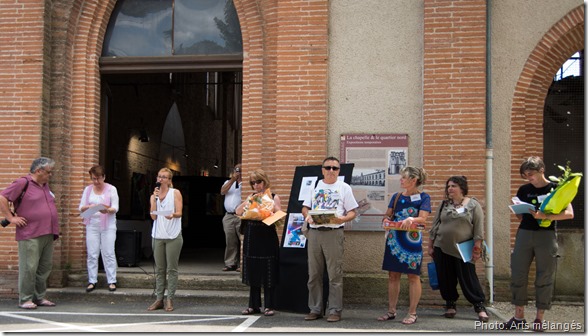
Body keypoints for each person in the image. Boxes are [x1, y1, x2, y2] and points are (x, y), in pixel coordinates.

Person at [502, 156, 574, 331]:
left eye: (531, 174)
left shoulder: (556, 188)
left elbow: (569, 213)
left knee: (545, 276)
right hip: (524, 234)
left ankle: (539, 319)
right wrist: (517, 208)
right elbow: (520, 217)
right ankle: (519, 316)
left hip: (546, 236)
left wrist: (546, 216)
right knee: (518, 273)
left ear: (542, 170)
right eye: (525, 175)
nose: (528, 178)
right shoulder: (524, 189)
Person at [302, 157, 358, 322]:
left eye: (335, 168)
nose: (331, 171)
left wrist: (343, 219)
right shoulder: (314, 186)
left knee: (334, 274)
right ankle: (315, 308)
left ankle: (334, 310)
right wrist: (307, 216)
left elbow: (353, 211)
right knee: (314, 274)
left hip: (334, 233)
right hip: (315, 234)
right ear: (322, 170)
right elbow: (305, 207)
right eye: (328, 167)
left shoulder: (344, 187)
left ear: (339, 171)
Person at [428, 175, 489, 322]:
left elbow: (479, 228)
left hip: (464, 249)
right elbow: (435, 226)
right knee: (446, 278)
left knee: (468, 277)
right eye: (448, 186)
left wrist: (477, 248)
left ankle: (479, 306)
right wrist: (430, 246)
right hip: (441, 247)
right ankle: (450, 305)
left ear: (462, 188)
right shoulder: (444, 205)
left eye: (453, 186)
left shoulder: (473, 205)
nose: (450, 189)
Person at [0, 157, 59, 309]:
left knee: (44, 267)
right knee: (29, 267)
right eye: (48, 172)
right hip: (30, 233)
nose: (50, 175)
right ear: (39, 171)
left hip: (48, 232)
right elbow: (2, 197)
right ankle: (25, 299)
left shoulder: (44, 185)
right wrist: (10, 217)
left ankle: (39, 297)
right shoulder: (23, 182)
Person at [378, 166, 431, 325]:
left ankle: (412, 313)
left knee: (413, 276)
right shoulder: (396, 196)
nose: (400, 180)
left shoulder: (424, 197)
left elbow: (423, 218)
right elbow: (387, 215)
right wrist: (386, 221)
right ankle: (391, 311)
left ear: (413, 180)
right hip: (394, 240)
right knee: (393, 275)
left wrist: (411, 219)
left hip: (411, 241)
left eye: (403, 177)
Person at [235, 169, 281, 317]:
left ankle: (269, 305)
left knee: (268, 269)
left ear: (265, 181)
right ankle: (253, 305)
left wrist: (271, 214)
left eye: (258, 182)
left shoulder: (274, 197)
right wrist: (249, 200)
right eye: (253, 183)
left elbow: (279, 215)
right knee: (253, 269)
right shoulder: (251, 197)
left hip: (267, 235)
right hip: (252, 235)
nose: (256, 185)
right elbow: (238, 211)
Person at [146, 168, 184, 312]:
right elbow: (154, 216)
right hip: (158, 235)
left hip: (173, 235)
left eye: (164, 177)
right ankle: (159, 298)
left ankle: (170, 299)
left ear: (169, 180)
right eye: (159, 176)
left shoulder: (175, 193)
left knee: (171, 269)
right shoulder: (153, 196)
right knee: (160, 269)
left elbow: (180, 213)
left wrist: (172, 215)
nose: (161, 179)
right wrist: (155, 200)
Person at [79, 165, 120, 293]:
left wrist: (106, 209)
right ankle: (92, 280)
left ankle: (112, 280)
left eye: (98, 179)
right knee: (92, 253)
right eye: (93, 179)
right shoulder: (88, 189)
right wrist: (90, 206)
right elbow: (80, 207)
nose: (96, 182)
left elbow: (115, 207)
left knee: (108, 252)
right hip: (92, 223)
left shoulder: (111, 189)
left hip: (108, 224)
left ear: (104, 177)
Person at [220, 163, 242, 272]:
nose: (238, 172)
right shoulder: (228, 183)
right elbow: (222, 191)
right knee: (230, 240)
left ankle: (243, 264)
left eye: (240, 170)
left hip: (241, 216)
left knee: (243, 240)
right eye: (236, 170)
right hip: (228, 215)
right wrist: (232, 180)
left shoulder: (247, 184)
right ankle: (230, 263)